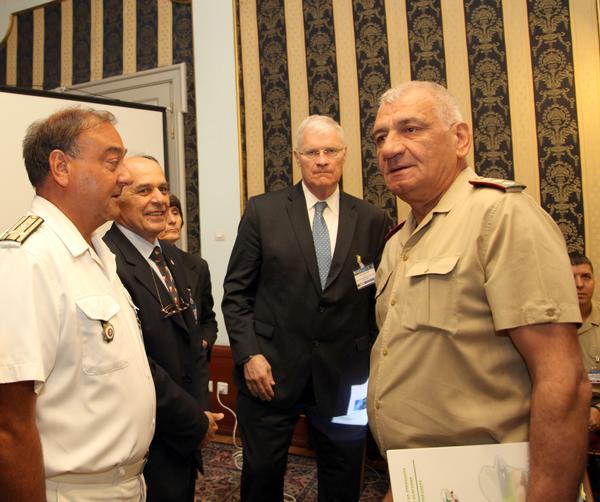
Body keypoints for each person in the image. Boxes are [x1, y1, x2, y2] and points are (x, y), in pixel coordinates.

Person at [368, 81, 590, 501]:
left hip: (494, 483)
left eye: (410, 129)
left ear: (460, 138)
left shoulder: (501, 216)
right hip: (423, 479)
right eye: (381, 136)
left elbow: (562, 379)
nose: (390, 148)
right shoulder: (398, 242)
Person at [222, 115, 389, 502]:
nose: (322, 159)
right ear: (297, 157)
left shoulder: (372, 219)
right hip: (269, 373)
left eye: (330, 150)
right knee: (262, 474)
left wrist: (372, 366)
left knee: (345, 473)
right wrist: (249, 354)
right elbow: (236, 292)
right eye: (312, 152)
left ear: (345, 155)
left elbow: (376, 298)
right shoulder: (263, 212)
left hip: (346, 377)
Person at [0, 108, 156, 501]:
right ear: (61, 167)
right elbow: (8, 425)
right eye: (111, 161)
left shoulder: (98, 254)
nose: (125, 175)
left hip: (124, 484)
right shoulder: (27, 258)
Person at [103, 156, 223, 502]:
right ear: (118, 197)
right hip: (146, 440)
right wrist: (193, 421)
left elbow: (194, 340)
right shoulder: (108, 262)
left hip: (184, 431)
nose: (160, 199)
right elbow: (137, 360)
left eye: (164, 189)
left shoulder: (172, 258)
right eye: (144, 190)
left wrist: (199, 412)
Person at [159, 194, 218, 354]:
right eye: (164, 213)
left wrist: (204, 342)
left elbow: (208, 319)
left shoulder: (198, 265)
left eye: (176, 212)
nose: (172, 220)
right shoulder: (145, 264)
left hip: (195, 362)